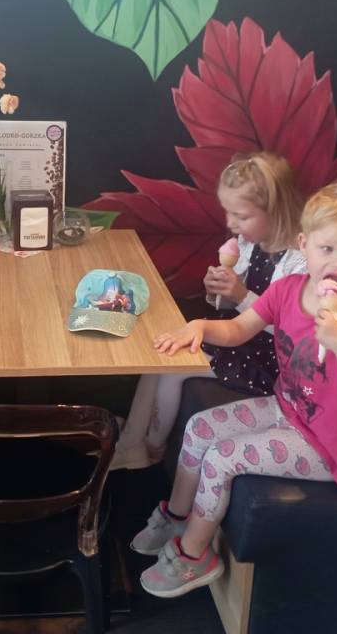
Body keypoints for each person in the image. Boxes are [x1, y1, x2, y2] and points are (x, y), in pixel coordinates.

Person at [132, 180, 337, 598]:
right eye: (328, 249)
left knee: (223, 457)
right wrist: (200, 326)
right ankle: (179, 517)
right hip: (285, 408)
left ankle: (195, 555)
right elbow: (239, 329)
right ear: (304, 245)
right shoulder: (288, 290)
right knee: (200, 427)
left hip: (329, 447)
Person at [111, 152, 307, 471]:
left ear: (276, 210)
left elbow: (290, 331)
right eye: (228, 212)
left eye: (240, 216)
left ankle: (153, 448)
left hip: (271, 359)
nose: (230, 224)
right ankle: (132, 441)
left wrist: (241, 295)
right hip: (238, 334)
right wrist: (219, 291)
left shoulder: (300, 262)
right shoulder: (250, 244)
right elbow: (232, 307)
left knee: (174, 366)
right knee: (160, 350)